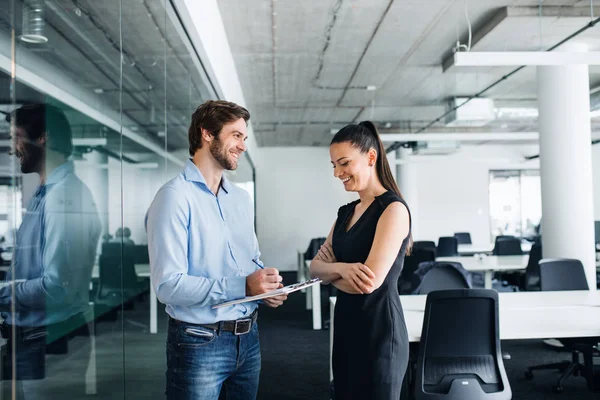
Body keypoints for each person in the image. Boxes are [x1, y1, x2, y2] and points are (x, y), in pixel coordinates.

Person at [145, 100, 287, 400]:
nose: (243, 146)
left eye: (244, 138)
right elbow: (168, 286)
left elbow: (250, 261)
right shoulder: (174, 198)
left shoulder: (240, 199)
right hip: (199, 342)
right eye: (236, 135)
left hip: (248, 339)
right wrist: (244, 286)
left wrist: (264, 288)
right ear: (207, 133)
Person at [0, 103, 101, 397]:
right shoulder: (45, 194)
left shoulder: (64, 197)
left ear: (42, 137)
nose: (12, 149)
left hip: (49, 340)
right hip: (35, 337)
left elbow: (57, 288)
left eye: (16, 137)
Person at [310, 121, 412, 400]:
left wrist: (329, 275)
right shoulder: (345, 212)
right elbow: (314, 268)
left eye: (343, 163)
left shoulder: (392, 210)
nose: (337, 173)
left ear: (370, 157)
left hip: (380, 332)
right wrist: (342, 269)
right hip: (345, 327)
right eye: (333, 165)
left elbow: (368, 283)